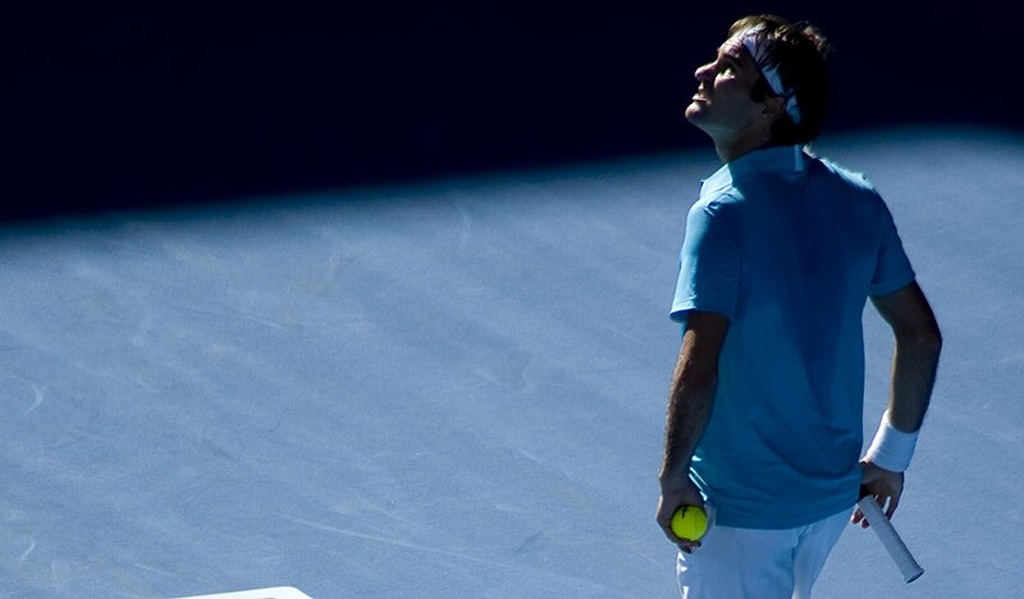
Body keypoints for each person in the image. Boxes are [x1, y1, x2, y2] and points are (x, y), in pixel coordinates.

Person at [655, 14, 942, 599]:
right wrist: (891, 456)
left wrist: (673, 476)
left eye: (730, 67)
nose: (703, 72)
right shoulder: (858, 201)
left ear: (772, 107)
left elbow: (699, 365)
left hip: (740, 512)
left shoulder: (721, 214)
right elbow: (920, 336)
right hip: (826, 506)